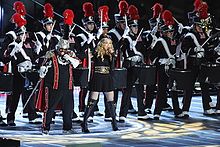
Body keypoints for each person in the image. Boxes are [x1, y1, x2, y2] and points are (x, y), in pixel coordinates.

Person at [81, 38, 118, 133]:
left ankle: (114, 122)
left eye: (110, 43)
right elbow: (85, 53)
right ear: (102, 44)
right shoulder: (96, 53)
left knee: (111, 102)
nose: (108, 45)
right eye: (106, 43)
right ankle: (84, 122)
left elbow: (112, 68)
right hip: (97, 77)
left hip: (107, 78)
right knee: (92, 101)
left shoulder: (111, 55)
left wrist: (112, 55)